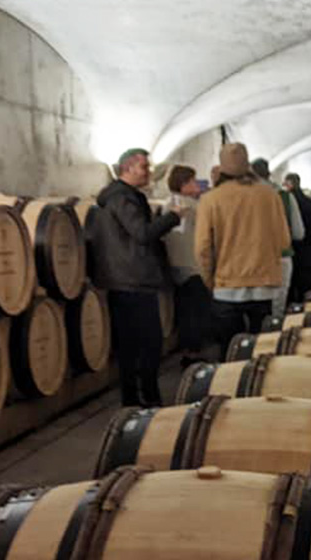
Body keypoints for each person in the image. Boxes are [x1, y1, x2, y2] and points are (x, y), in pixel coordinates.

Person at [94, 147, 185, 407]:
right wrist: (172, 218)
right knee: (146, 344)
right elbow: (142, 233)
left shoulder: (120, 196)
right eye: (144, 167)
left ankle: (135, 398)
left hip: (126, 279)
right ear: (128, 168)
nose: (149, 172)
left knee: (132, 345)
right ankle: (145, 398)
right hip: (132, 279)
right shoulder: (122, 198)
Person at [195, 143, 290, 348]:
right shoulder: (270, 195)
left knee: (229, 350)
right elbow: (284, 240)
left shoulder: (211, 199)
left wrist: (209, 280)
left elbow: (203, 248)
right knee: (261, 348)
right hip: (264, 282)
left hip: (227, 284)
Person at [166, 165, 213, 365]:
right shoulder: (190, 207)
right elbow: (200, 239)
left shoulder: (169, 204)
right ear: (183, 183)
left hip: (176, 266)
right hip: (192, 266)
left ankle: (188, 352)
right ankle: (193, 354)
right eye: (193, 181)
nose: (196, 185)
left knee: (186, 312)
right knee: (196, 313)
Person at [251, 158, 304, 318]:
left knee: (255, 307)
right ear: (269, 174)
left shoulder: (244, 196)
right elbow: (298, 233)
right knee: (276, 307)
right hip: (281, 256)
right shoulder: (286, 196)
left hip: (252, 258)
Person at [283, 172, 311, 300]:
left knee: (290, 290)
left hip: (292, 250)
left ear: (289, 184)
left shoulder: (285, 202)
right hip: (309, 251)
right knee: (305, 290)